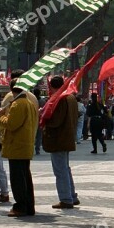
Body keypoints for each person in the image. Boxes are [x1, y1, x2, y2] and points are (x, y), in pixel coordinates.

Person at [0, 80, 38, 217]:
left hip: (17, 146)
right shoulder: (30, 103)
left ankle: (20, 207)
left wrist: (0, 116)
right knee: (25, 177)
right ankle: (28, 206)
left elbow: (11, 124)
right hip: (25, 145)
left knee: (18, 179)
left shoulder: (18, 104)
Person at [43, 76, 79, 209]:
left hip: (58, 138)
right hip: (68, 136)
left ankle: (65, 198)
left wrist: (45, 119)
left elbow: (56, 121)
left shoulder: (60, 98)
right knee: (65, 168)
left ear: (51, 86)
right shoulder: (70, 97)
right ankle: (72, 196)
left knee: (60, 170)